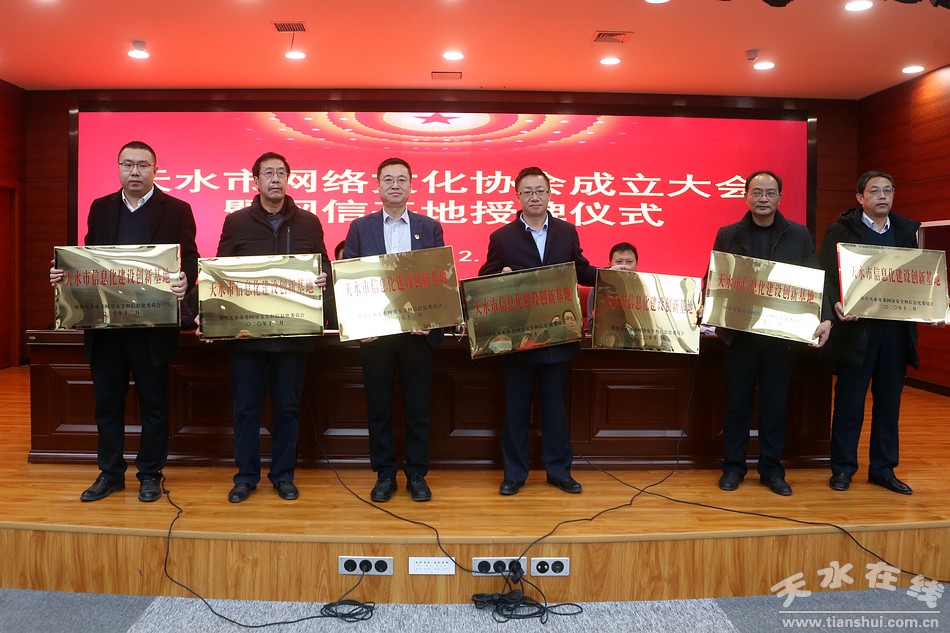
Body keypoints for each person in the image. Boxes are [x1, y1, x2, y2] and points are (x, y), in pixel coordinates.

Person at [49, 141, 198, 503]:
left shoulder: (177, 209)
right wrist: (63, 275)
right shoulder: (100, 208)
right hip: (107, 329)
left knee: (154, 406)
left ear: (155, 170)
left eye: (143, 165)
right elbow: (88, 259)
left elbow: (191, 259)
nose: (135, 171)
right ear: (118, 168)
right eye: (128, 164)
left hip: (153, 328)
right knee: (107, 404)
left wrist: (185, 280)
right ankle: (110, 473)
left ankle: (150, 474)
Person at [216, 152, 330, 503]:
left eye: (281, 173)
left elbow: (325, 268)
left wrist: (324, 279)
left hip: (293, 336)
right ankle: (246, 477)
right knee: (246, 410)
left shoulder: (309, 222)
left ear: (288, 179)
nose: (275, 179)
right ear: (256, 181)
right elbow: (219, 271)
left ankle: (283, 476)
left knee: (287, 409)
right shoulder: (236, 222)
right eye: (268, 173)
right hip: (246, 336)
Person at [818, 171, 940, 495]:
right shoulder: (840, 231)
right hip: (856, 332)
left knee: (889, 405)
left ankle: (883, 470)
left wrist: (934, 307)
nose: (882, 196)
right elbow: (824, 277)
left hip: (895, 333)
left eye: (888, 190)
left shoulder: (905, 231)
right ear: (860, 198)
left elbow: (917, 279)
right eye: (874, 191)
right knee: (850, 403)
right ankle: (842, 468)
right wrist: (835, 304)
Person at [479, 166, 597, 495]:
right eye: (528, 191)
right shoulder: (502, 237)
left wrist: (611, 275)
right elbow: (485, 278)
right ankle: (514, 474)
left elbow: (581, 270)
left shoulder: (566, 232)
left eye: (540, 191)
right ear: (517, 196)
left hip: (558, 338)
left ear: (549, 194)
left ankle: (559, 472)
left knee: (555, 412)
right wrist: (499, 279)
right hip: (519, 341)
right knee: (516, 412)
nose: (534, 196)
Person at [713, 170, 831, 497]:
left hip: (780, 337)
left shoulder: (798, 234)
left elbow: (814, 278)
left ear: (779, 197)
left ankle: (771, 470)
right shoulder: (728, 234)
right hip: (741, 335)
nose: (763, 198)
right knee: (737, 405)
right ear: (746, 196)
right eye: (757, 192)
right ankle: (733, 468)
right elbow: (716, 276)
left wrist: (823, 317)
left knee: (775, 406)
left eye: (770, 192)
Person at [343, 157, 445, 503]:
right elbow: (351, 277)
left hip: (418, 335)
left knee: (418, 408)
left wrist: (432, 319)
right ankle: (385, 474)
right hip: (377, 334)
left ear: (411, 186)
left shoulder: (429, 227)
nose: (395, 185)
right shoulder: (361, 228)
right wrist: (359, 323)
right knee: (379, 407)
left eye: (402, 179)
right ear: (378, 186)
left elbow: (439, 277)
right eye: (388, 179)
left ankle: (416, 473)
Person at [587, 242, 638, 329]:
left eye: (629, 262)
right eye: (619, 262)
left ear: (636, 264)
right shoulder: (598, 290)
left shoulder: (645, 290)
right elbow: (592, 326)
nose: (624, 266)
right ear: (610, 265)